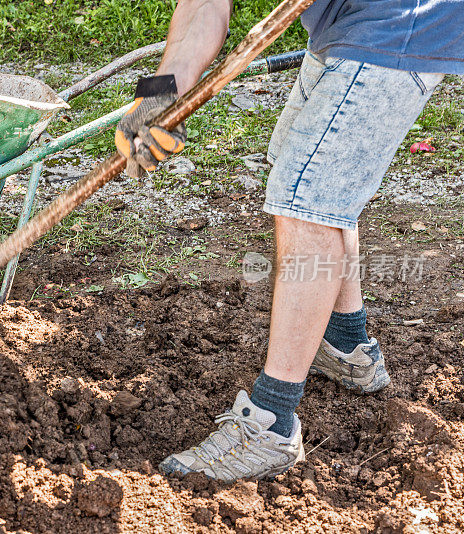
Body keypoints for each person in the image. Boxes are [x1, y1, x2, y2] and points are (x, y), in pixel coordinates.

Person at [115, 0, 462, 482]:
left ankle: (272, 425)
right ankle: (345, 344)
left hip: (400, 23)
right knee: (311, 178)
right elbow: (202, 6)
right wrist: (159, 96)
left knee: (308, 193)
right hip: (345, 21)